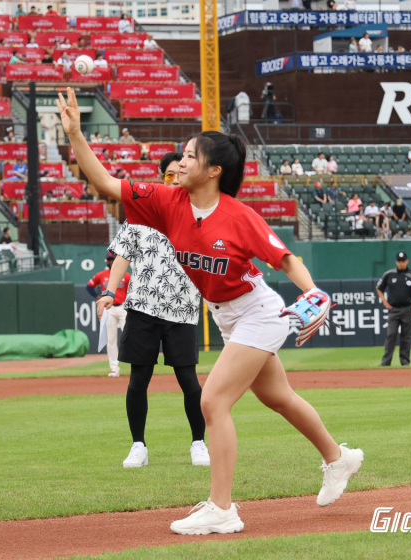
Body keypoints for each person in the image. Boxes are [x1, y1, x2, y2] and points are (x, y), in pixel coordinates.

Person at [58, 87, 363, 535]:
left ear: (214, 170)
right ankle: (339, 458)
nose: (178, 164)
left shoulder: (239, 216)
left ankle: (222, 507)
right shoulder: (167, 203)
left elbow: (285, 259)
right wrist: (75, 136)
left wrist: (315, 292)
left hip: (257, 310)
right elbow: (106, 184)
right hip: (226, 315)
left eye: (188, 157)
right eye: (180, 156)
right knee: (277, 397)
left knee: (213, 400)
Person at [98, 152, 210, 469]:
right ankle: (138, 446)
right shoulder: (140, 214)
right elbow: (122, 255)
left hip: (183, 310)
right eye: (169, 174)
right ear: (160, 175)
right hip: (143, 308)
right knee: (138, 380)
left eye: (181, 174)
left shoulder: (198, 213)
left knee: (189, 381)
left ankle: (199, 443)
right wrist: (109, 291)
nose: (175, 179)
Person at [377, 252, 411, 367]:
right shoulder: (389, 274)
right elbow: (379, 288)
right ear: (396, 262)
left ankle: (405, 361)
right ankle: (386, 362)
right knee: (391, 334)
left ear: (407, 261)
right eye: (399, 261)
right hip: (393, 309)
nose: (401, 263)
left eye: (403, 261)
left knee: (406, 336)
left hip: (408, 309)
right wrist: (384, 301)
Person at [87, 252, 130, 377]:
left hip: (122, 308)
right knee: (111, 340)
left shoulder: (126, 276)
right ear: (106, 261)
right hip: (109, 309)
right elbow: (89, 286)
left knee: (131, 337)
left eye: (113, 259)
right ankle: (114, 369)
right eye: (109, 259)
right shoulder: (102, 275)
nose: (111, 261)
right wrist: (97, 296)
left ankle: (136, 366)